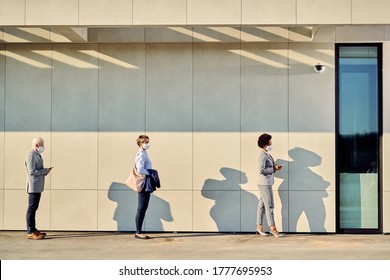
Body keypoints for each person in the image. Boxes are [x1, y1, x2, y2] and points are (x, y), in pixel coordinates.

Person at [256, 133, 283, 238]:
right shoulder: (262, 155)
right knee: (270, 206)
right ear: (266, 142)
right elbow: (261, 170)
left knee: (262, 205)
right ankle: (273, 228)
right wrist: (274, 169)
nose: (271, 142)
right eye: (270, 141)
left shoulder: (266, 153)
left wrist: (274, 167)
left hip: (265, 182)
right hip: (265, 183)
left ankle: (259, 227)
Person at [25, 137, 53, 240]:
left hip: (37, 186)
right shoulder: (31, 155)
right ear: (37, 145)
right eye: (42, 145)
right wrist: (45, 171)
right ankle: (30, 232)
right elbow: (31, 171)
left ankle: (33, 228)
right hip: (33, 186)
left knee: (34, 208)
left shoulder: (37, 154)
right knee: (31, 208)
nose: (43, 147)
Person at [134, 135, 153, 240]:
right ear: (140, 143)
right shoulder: (141, 154)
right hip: (143, 183)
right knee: (141, 208)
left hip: (144, 182)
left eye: (147, 141)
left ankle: (139, 231)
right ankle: (138, 232)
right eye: (144, 142)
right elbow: (140, 169)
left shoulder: (143, 153)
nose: (147, 143)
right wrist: (150, 173)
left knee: (143, 208)